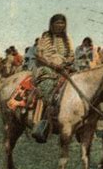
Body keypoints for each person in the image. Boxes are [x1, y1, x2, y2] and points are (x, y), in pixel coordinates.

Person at [31, 13, 75, 142]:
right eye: (57, 23)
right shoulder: (45, 37)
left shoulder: (68, 39)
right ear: (52, 24)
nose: (60, 25)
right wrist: (52, 64)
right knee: (48, 90)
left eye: (62, 23)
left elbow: (72, 55)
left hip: (64, 68)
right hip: (46, 68)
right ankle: (42, 124)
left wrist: (67, 62)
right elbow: (38, 55)